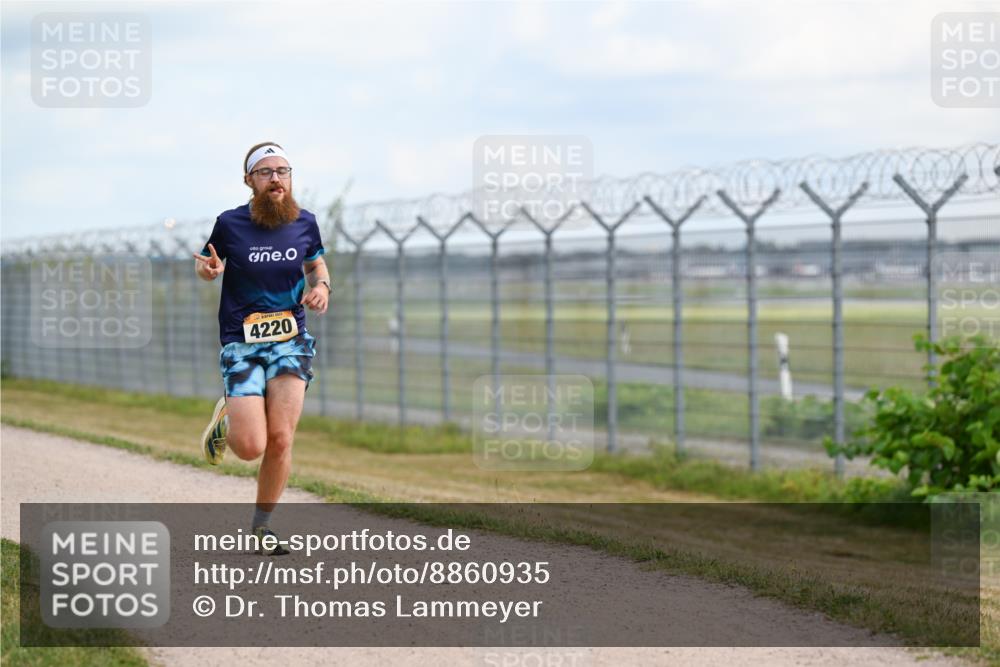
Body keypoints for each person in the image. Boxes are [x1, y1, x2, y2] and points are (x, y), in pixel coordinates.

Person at [193, 141, 331, 555]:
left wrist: (322, 286)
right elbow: (206, 263)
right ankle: (227, 416)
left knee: (282, 438)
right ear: (249, 180)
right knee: (250, 446)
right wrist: (209, 270)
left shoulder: (305, 222)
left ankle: (262, 525)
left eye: (282, 171)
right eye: (266, 172)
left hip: (291, 341)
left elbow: (315, 262)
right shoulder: (230, 223)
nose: (276, 178)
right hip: (243, 342)